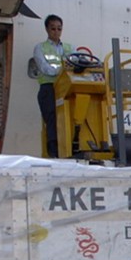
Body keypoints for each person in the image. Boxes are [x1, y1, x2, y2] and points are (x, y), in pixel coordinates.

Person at [34, 14, 74, 158]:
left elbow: (76, 63)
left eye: (59, 29)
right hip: (48, 87)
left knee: (70, 117)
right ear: (47, 29)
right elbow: (45, 68)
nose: (56, 32)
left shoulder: (70, 48)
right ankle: (54, 150)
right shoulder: (40, 48)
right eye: (53, 29)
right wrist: (62, 70)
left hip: (67, 87)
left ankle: (72, 146)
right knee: (52, 118)